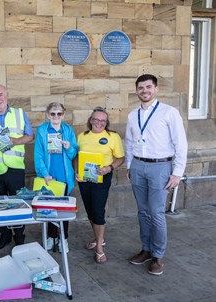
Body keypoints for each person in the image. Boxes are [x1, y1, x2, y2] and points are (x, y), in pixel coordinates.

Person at [125, 74, 187, 275]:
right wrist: (129, 166)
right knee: (142, 211)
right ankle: (146, 249)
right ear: (136, 90)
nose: (145, 91)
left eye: (148, 87)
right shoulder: (133, 115)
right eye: (141, 88)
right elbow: (129, 142)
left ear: (156, 89)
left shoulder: (169, 112)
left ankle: (158, 256)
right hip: (138, 166)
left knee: (156, 213)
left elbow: (181, 144)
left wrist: (177, 173)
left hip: (160, 168)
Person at [0, 84, 34, 250]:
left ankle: (19, 236)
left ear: (7, 95)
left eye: (1, 95)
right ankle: (4, 236)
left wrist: (16, 141)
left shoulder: (19, 114)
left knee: (18, 202)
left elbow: (30, 135)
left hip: (15, 168)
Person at [75, 107, 125, 264]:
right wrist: (76, 171)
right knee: (90, 210)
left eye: (102, 120)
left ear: (106, 122)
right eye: (96, 119)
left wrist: (109, 168)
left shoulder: (113, 137)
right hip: (85, 179)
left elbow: (120, 158)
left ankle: (99, 249)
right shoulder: (81, 136)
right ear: (90, 120)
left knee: (98, 211)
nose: (99, 123)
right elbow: (76, 156)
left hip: (102, 178)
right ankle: (98, 239)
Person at [34, 102, 78, 253]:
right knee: (48, 208)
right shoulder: (42, 130)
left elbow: (73, 154)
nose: (56, 117)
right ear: (48, 115)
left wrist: (68, 147)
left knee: (63, 210)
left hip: (64, 176)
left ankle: (63, 238)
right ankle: (50, 237)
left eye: (59, 114)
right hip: (48, 176)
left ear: (63, 115)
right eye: (53, 114)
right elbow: (38, 154)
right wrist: (44, 173)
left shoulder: (68, 130)